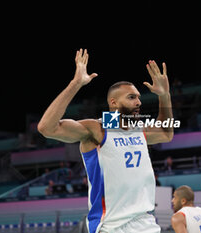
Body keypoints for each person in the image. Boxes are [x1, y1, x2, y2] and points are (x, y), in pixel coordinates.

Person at [38, 49, 174, 233]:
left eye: (139, 98)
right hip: (111, 226)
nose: (138, 102)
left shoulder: (138, 130)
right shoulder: (97, 130)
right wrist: (76, 83)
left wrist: (164, 95)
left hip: (145, 222)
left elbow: (166, 133)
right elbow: (47, 128)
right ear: (114, 103)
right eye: (131, 97)